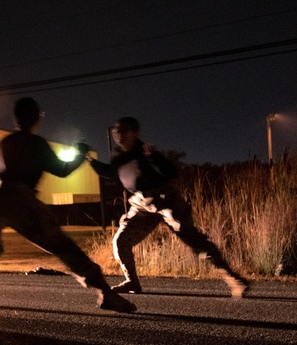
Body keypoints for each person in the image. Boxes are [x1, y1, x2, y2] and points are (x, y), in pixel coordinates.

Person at [0, 98, 136, 313]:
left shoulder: (2, 143)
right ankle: (105, 292)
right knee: (62, 245)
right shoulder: (36, 144)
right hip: (19, 198)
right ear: (38, 118)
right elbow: (62, 170)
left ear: (15, 119)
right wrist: (81, 155)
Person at [88, 116, 250, 298]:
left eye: (123, 130)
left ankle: (233, 279)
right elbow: (110, 172)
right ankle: (132, 281)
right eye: (115, 131)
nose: (118, 134)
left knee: (191, 237)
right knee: (120, 241)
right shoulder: (118, 155)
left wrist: (155, 156)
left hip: (164, 199)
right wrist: (90, 160)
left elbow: (171, 172)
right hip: (141, 202)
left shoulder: (145, 151)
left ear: (135, 133)